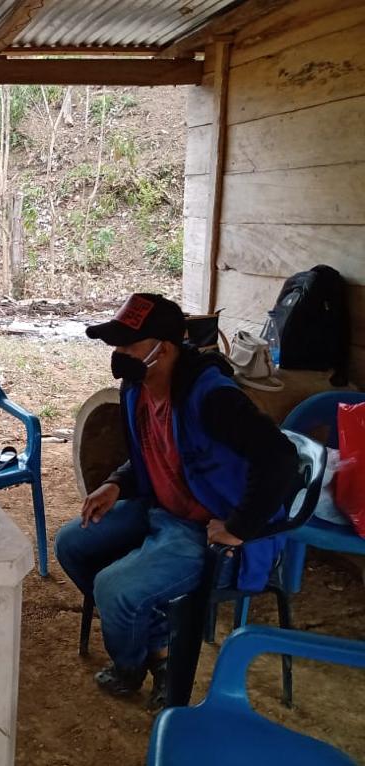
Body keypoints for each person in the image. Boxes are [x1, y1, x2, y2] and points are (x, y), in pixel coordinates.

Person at [54, 293, 299, 711]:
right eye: (115, 345)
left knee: (114, 588)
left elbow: (281, 459)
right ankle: (158, 646)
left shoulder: (212, 397)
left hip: (207, 528)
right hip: (162, 509)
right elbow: (155, 450)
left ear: (162, 349)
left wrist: (239, 526)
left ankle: (133, 665)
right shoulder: (138, 387)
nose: (118, 355)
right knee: (72, 544)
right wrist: (116, 482)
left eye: (128, 346)